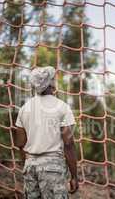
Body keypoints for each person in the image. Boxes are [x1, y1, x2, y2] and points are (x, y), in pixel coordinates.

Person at [14, 66, 78, 198]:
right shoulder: (62, 107)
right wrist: (74, 176)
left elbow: (20, 143)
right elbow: (69, 143)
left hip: (30, 166)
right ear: (50, 84)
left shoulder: (24, 109)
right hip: (53, 167)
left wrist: (28, 164)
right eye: (53, 79)